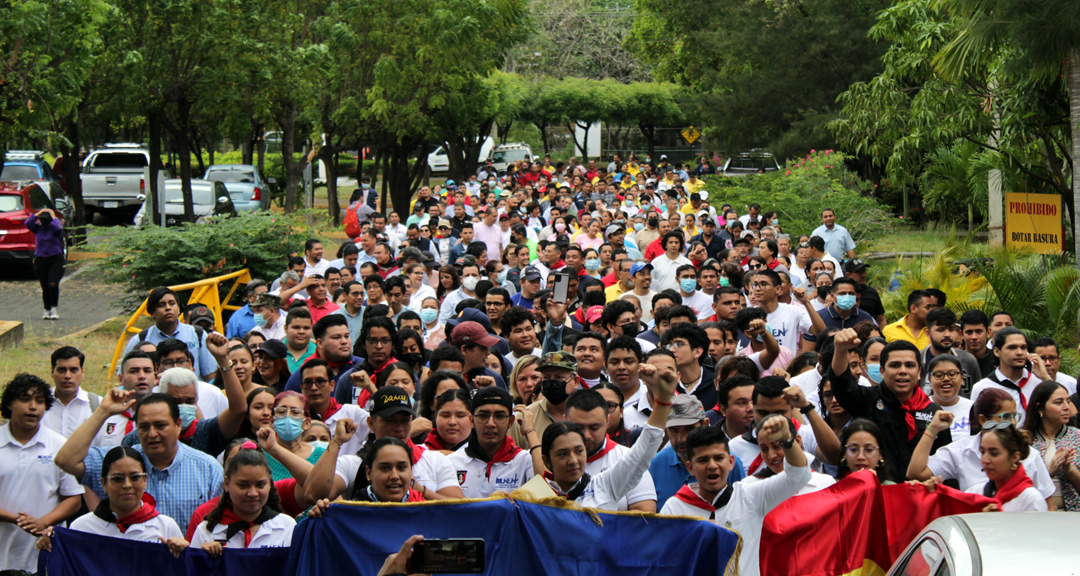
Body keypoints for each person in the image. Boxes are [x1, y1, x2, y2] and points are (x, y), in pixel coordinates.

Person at [55, 390, 224, 535]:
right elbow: (65, 460)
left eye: (160, 425)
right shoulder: (119, 463)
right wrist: (103, 411)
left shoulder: (208, 470)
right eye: (144, 427)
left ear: (178, 425)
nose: (152, 434)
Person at [660, 418, 809, 576]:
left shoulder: (750, 496)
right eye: (703, 460)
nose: (712, 465)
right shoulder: (674, 508)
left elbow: (799, 476)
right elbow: (662, 561)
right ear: (690, 468)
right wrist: (694, 537)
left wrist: (787, 441)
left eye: (718, 458)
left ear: (731, 462)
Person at [539, 354, 677, 510]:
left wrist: (664, 399)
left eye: (579, 451)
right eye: (563, 454)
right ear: (546, 461)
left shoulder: (604, 485)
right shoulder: (533, 495)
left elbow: (645, 449)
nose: (573, 460)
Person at [303, 387, 464, 502]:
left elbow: (459, 510)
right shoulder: (354, 464)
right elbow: (313, 495)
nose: (399, 428)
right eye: (390, 421)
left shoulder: (435, 461)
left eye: (405, 420)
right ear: (371, 423)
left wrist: (420, 490)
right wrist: (337, 442)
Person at [830, 329, 950, 481]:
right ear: (882, 371)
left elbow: (945, 464)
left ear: (919, 372)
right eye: (895, 365)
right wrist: (840, 350)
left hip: (918, 496)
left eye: (909, 365)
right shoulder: (867, 399)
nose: (902, 371)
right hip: (877, 494)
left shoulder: (935, 414)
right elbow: (842, 386)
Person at [35, 446, 187, 558]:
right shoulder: (81, 528)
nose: (127, 485)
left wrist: (182, 551)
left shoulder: (165, 526)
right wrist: (48, 547)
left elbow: (182, 570)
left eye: (135, 477)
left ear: (145, 480)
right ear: (103, 483)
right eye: (117, 479)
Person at [906, 387, 1055, 501]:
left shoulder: (1029, 454)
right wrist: (933, 429)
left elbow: (1048, 503)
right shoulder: (962, 450)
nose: (1013, 423)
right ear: (983, 420)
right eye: (1005, 417)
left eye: (1014, 416)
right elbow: (916, 473)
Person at [0, 374, 84, 573]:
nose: (33, 407)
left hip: (44, 555)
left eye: (39, 401)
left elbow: (73, 499)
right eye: (25, 399)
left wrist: (42, 522)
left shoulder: (59, 445)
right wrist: (15, 519)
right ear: (9, 404)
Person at [564, 389, 657, 512]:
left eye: (594, 427)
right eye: (578, 427)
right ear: (564, 420)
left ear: (607, 420)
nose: (586, 435)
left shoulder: (627, 458)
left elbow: (645, 513)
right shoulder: (549, 460)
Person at [649, 395, 746, 509]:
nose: (681, 439)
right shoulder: (654, 465)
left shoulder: (728, 464)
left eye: (689, 429)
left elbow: (741, 508)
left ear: (705, 424)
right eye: (674, 430)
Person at [189, 448, 295, 552]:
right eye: (243, 485)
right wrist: (205, 559)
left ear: (269, 484)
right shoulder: (206, 531)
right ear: (227, 484)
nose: (253, 493)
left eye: (260, 485)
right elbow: (193, 568)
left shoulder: (287, 527)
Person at [448, 388, 538, 498]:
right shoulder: (451, 463)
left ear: (510, 422)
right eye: (483, 416)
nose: (491, 424)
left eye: (499, 416)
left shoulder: (525, 461)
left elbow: (546, 498)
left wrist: (530, 431)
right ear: (471, 421)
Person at [123, 287, 218, 380]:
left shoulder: (197, 334)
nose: (168, 308)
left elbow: (210, 376)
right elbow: (126, 377)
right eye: (161, 305)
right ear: (152, 313)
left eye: (172, 304)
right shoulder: (140, 340)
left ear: (178, 309)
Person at [962, 422, 1048, 512]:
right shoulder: (974, 493)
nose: (985, 460)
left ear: (1015, 457)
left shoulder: (1031, 499)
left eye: (994, 453)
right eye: (982, 452)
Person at [970, 327, 1048, 423]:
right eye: (1012, 347)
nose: (1020, 352)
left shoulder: (1039, 383)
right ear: (997, 351)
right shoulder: (982, 387)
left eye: (1023, 347)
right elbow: (976, 426)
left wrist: (1045, 378)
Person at [1023, 381, 1080, 511]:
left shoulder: (1077, 437)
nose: (1066, 407)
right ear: (1040, 408)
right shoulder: (1025, 439)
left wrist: (1071, 471)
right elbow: (1019, 487)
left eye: (1068, 401)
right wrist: (1048, 473)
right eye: (1058, 402)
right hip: (1038, 516)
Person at [743, 417, 835, 494]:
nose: (771, 456)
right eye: (764, 449)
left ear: (798, 441)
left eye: (777, 446)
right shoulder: (749, 487)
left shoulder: (825, 484)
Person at [751, 269, 824, 353]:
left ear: (778, 289)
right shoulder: (749, 314)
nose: (757, 289)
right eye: (755, 285)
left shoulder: (793, 311)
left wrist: (806, 302)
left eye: (763, 284)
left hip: (787, 365)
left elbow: (821, 332)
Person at [42, 346, 100, 437]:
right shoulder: (39, 404)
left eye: (73, 370)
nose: (67, 376)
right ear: (52, 371)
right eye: (62, 370)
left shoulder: (97, 405)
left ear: (82, 372)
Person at [920, 307, 981, 394]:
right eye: (941, 330)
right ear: (928, 333)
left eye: (951, 329)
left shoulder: (968, 360)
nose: (947, 334)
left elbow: (977, 394)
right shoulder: (917, 360)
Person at [660, 322, 716, 410]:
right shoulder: (665, 382)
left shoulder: (716, 381)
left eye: (679, 344)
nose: (671, 350)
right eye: (670, 345)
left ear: (697, 352)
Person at [24, 207, 66, 319]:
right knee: (45, 286)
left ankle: (53, 307)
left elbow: (59, 227)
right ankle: (46, 309)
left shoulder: (54, 229)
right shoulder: (37, 228)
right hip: (40, 260)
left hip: (55, 260)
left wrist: (53, 216)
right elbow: (27, 223)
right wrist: (39, 213)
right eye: (41, 220)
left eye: (45, 220)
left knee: (52, 283)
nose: (43, 222)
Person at [926, 355, 974, 439]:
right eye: (938, 375)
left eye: (952, 374)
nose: (946, 379)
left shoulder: (973, 408)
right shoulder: (921, 408)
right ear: (930, 380)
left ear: (962, 378)